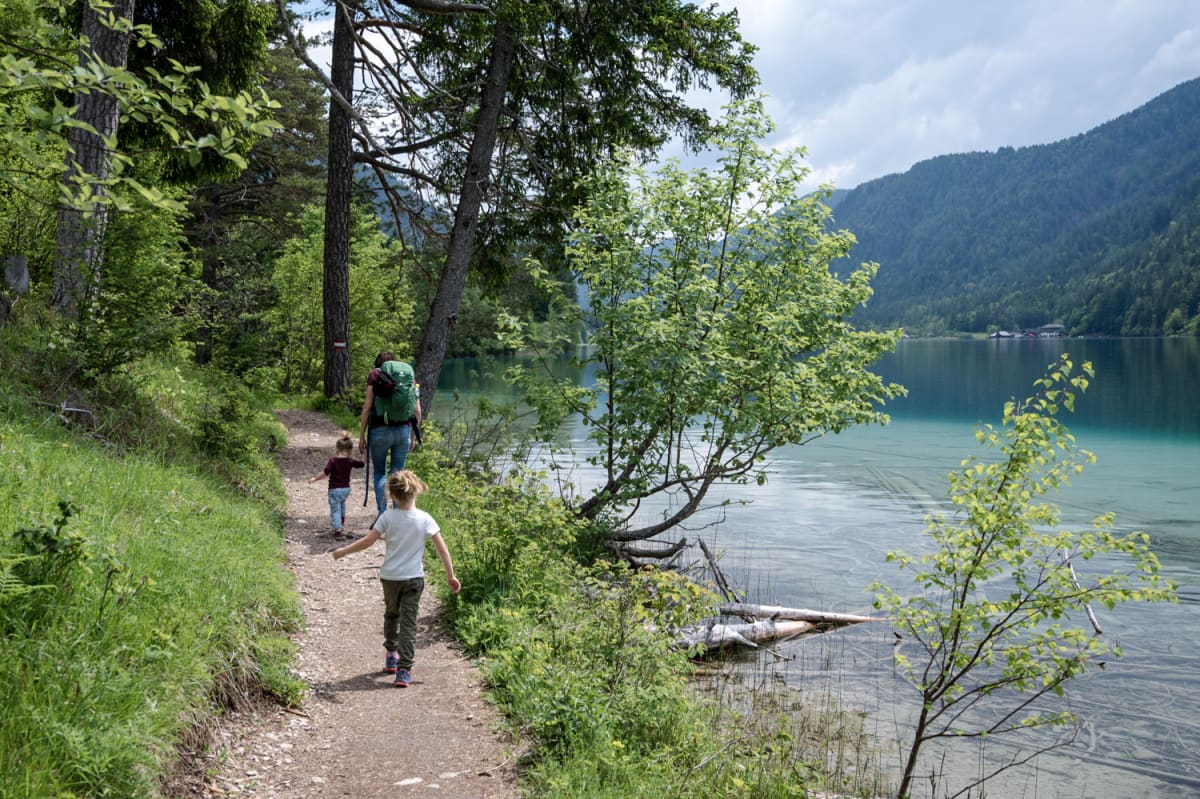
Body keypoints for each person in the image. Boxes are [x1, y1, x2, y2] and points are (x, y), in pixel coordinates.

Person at [330, 469, 460, 687]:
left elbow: (367, 542)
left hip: (390, 578)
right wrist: (451, 576)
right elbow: (443, 550)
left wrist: (343, 551)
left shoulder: (387, 517)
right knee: (409, 624)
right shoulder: (425, 519)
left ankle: (391, 655)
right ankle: (404, 671)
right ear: (416, 491)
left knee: (392, 615)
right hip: (414, 579)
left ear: (392, 495)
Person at [359, 350, 423, 515]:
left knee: (380, 472)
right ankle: (398, 517)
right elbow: (417, 410)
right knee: (398, 475)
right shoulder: (409, 377)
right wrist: (413, 437)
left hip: (379, 430)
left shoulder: (375, 375)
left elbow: (367, 406)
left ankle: (383, 516)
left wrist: (361, 437)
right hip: (403, 430)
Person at [307, 431, 365, 539]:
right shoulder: (350, 461)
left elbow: (325, 472)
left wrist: (315, 479)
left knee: (335, 509)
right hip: (346, 489)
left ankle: (338, 530)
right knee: (342, 504)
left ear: (337, 448)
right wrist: (363, 454)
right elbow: (361, 464)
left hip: (334, 490)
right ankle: (341, 519)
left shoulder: (333, 461)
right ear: (350, 449)